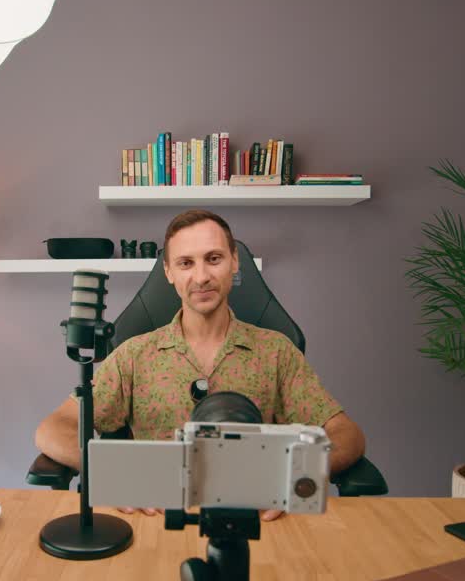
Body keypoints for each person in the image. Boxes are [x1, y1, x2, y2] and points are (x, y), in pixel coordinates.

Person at [35, 209, 366, 520]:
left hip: (255, 521)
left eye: (214, 259)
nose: (202, 276)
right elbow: (55, 429)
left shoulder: (275, 351)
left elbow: (346, 436)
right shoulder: (134, 355)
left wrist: (293, 478)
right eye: (185, 263)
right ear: (168, 272)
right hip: (158, 520)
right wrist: (112, 474)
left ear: (235, 262)